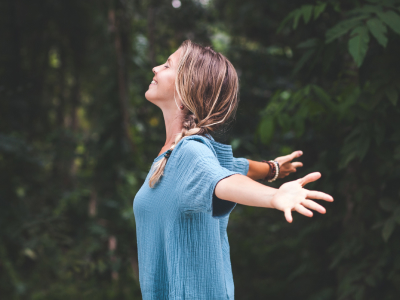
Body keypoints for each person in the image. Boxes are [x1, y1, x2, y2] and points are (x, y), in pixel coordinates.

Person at [133, 40, 333, 300]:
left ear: (185, 90)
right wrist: (271, 169)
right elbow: (232, 167)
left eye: (167, 65)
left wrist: (272, 197)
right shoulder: (174, 154)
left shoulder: (190, 153)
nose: (155, 68)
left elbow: (225, 181)